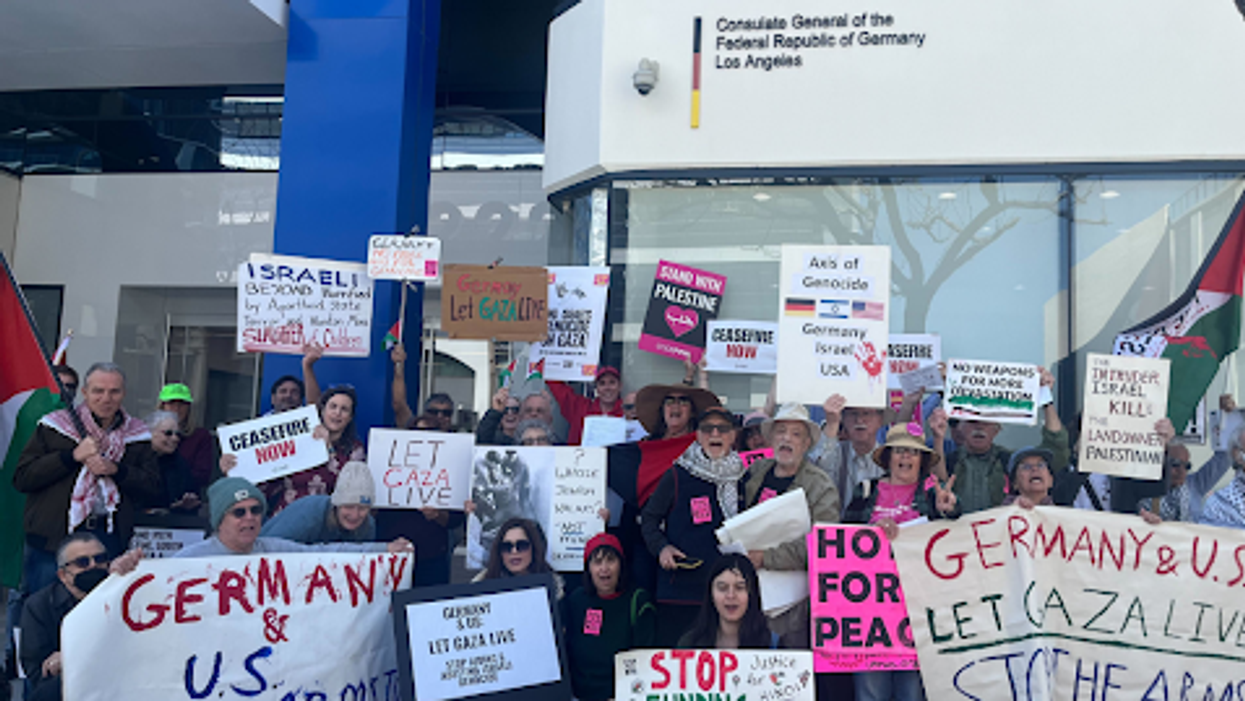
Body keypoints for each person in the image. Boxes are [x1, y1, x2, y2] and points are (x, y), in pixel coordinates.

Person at [14, 362, 160, 596]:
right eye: (98, 391)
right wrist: (71, 457)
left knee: (99, 611)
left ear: (123, 394)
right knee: (43, 609)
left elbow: (153, 487)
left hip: (107, 537)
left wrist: (117, 470)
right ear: (84, 392)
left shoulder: (138, 434)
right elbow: (23, 477)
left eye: (114, 392)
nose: (106, 399)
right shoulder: (55, 426)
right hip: (53, 538)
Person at [844, 423, 956, 701]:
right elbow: (841, 541)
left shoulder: (933, 495)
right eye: (900, 451)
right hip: (870, 614)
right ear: (888, 457)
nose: (906, 457)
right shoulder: (865, 490)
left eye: (914, 453)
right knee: (870, 694)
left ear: (922, 461)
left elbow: (953, 542)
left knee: (912, 694)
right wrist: (871, 533)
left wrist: (948, 511)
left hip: (916, 612)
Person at [641, 406, 748, 646]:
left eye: (722, 429)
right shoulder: (678, 474)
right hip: (681, 592)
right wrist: (662, 548)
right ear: (698, 436)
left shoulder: (745, 478)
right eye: (708, 428)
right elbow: (649, 518)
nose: (715, 434)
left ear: (733, 436)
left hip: (727, 598)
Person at [742, 403, 841, 648]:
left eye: (796, 434)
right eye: (781, 431)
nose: (787, 438)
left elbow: (822, 544)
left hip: (792, 607)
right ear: (771, 438)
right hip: (747, 596)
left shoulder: (821, 486)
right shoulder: (755, 472)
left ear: (807, 444)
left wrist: (766, 557)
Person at [158, 477, 411, 557]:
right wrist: (121, 570)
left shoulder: (273, 549)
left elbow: (328, 552)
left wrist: (386, 549)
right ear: (219, 520)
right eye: (239, 512)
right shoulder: (191, 558)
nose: (250, 518)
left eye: (256, 510)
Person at [943, 366, 1069, 514]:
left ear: (997, 429)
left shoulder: (1009, 461)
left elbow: (1056, 446)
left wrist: (1045, 397)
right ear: (960, 427)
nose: (980, 427)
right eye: (972, 421)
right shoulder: (947, 462)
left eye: (987, 422)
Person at [19, 534, 113, 701]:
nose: (93, 566)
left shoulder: (120, 598)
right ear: (63, 575)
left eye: (100, 559)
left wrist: (72, 657)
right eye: (83, 562)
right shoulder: (39, 606)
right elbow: (38, 673)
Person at [562, 533, 655, 701]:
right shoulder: (576, 600)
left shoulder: (639, 601)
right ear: (588, 568)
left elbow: (645, 660)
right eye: (597, 562)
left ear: (621, 565)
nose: (604, 568)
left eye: (610, 560)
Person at [264, 385, 365, 513]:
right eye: (333, 407)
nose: (337, 413)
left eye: (344, 409)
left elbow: (348, 488)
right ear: (323, 411)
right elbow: (270, 483)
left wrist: (328, 447)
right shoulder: (299, 441)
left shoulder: (354, 449)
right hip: (288, 516)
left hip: (325, 520)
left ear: (350, 417)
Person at [260, 461, 378, 543]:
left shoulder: (367, 526)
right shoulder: (307, 515)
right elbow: (267, 549)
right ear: (336, 504)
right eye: (348, 506)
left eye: (362, 508)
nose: (355, 515)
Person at [676, 554, 772, 649]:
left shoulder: (773, 643)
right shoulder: (689, 643)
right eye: (722, 588)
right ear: (711, 594)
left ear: (752, 594)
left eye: (740, 587)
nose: (731, 595)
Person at [818, 394, 889, 506]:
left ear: (880, 419)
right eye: (853, 414)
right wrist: (832, 424)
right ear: (843, 419)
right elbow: (821, 471)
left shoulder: (889, 457)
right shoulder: (836, 452)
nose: (859, 420)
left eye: (866, 413)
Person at [471, 517, 561, 594]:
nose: (514, 551)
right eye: (506, 547)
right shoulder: (479, 588)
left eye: (522, 545)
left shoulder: (554, 590)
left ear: (534, 549)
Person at [156, 382, 213, 490]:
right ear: (162, 406)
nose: (177, 408)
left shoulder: (201, 436)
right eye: (171, 403)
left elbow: (202, 476)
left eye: (182, 404)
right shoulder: (146, 433)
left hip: (187, 498)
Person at [546, 366, 624, 445]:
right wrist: (546, 364)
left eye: (612, 382)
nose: (607, 388)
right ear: (596, 388)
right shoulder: (579, 408)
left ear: (620, 386)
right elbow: (557, 387)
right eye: (602, 383)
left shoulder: (628, 412)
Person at [142, 410, 201, 513]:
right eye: (168, 433)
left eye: (177, 434)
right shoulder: (135, 460)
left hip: (173, 524)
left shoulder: (180, 464)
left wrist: (188, 502)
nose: (175, 438)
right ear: (150, 433)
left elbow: (193, 494)